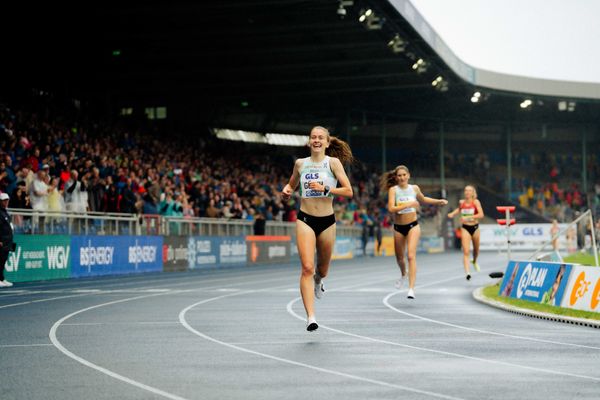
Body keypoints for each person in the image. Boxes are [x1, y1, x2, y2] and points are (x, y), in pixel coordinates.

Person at [281, 126, 353, 331]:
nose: (317, 140)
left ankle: (319, 281)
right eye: (313, 137)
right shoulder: (300, 164)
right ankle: (310, 317)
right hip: (305, 218)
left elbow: (349, 191)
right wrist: (286, 192)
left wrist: (326, 188)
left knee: (322, 269)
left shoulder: (333, 163)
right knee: (306, 267)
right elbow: (290, 185)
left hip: (327, 221)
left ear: (327, 142)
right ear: (309, 142)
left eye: (321, 138)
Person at [380, 165, 447, 299]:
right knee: (400, 258)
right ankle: (403, 273)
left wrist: (438, 201)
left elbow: (423, 199)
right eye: (399, 175)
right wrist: (409, 205)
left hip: (413, 225)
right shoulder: (394, 190)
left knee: (411, 256)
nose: (402, 177)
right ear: (396, 177)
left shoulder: (414, 188)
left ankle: (411, 289)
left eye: (404, 175)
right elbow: (391, 208)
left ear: (408, 175)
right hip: (399, 227)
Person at [447, 185, 485, 281]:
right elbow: (459, 209)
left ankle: (475, 261)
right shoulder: (462, 202)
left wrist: (468, 217)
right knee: (466, 251)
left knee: (476, 250)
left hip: (475, 228)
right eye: (466, 190)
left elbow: (481, 214)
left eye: (469, 191)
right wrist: (452, 214)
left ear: (473, 193)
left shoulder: (476, 202)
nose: (467, 192)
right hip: (465, 228)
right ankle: (467, 272)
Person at [0, 193, 14, 287]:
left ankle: (1, 278)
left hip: (7, 241)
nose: (6, 202)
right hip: (2, 241)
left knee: (3, 260)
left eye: (7, 200)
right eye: (4, 200)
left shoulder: (5, 212)